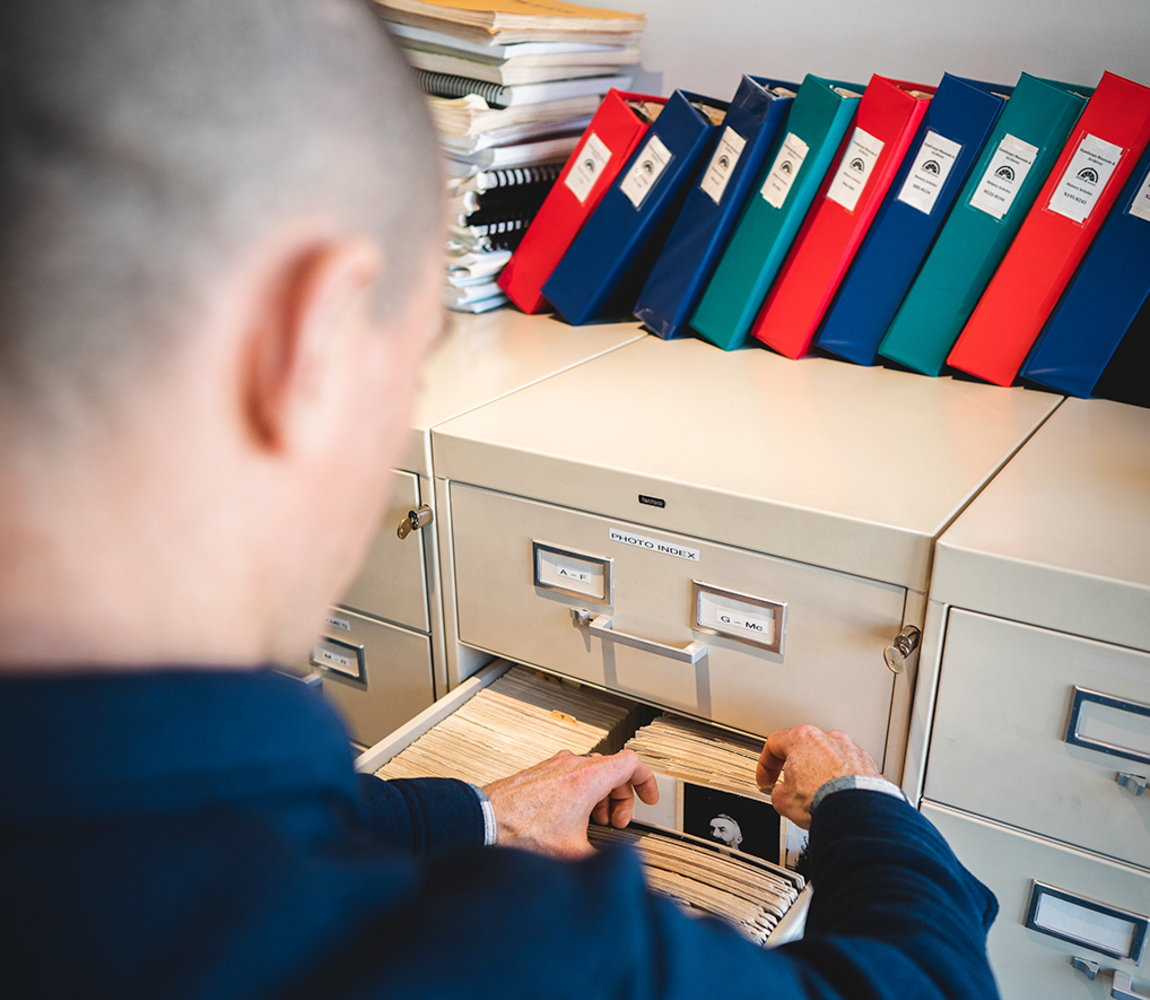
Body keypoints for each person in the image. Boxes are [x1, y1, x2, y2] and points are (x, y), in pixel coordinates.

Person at [0, 2, 1000, 998]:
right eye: (417, 354)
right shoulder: (514, 958)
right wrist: (858, 803)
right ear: (308, 341)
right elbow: (928, 984)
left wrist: (480, 813)